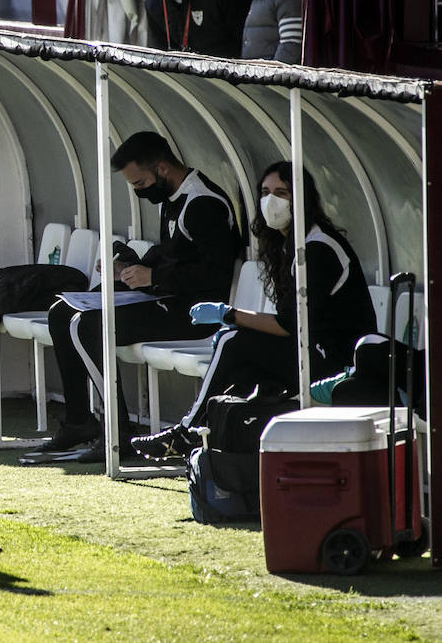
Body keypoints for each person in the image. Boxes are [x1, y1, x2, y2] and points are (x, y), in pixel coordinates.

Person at [132, 162, 376, 459]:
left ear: (302, 199)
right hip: (312, 349)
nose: (270, 201)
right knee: (240, 351)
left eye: (281, 193)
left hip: (337, 363)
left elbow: (288, 325)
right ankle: (222, 437)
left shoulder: (318, 248)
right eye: (264, 192)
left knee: (232, 340)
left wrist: (228, 314)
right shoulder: (291, 243)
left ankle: (188, 432)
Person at [29, 131, 242, 463]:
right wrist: (134, 268)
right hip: (167, 298)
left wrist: (153, 277)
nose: (138, 192)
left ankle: (118, 431)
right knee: (61, 312)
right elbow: (172, 252)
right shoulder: (173, 197)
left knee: (89, 325)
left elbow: (216, 275)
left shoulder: (202, 203)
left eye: (140, 184)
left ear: (161, 169)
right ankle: (79, 421)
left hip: (194, 313)